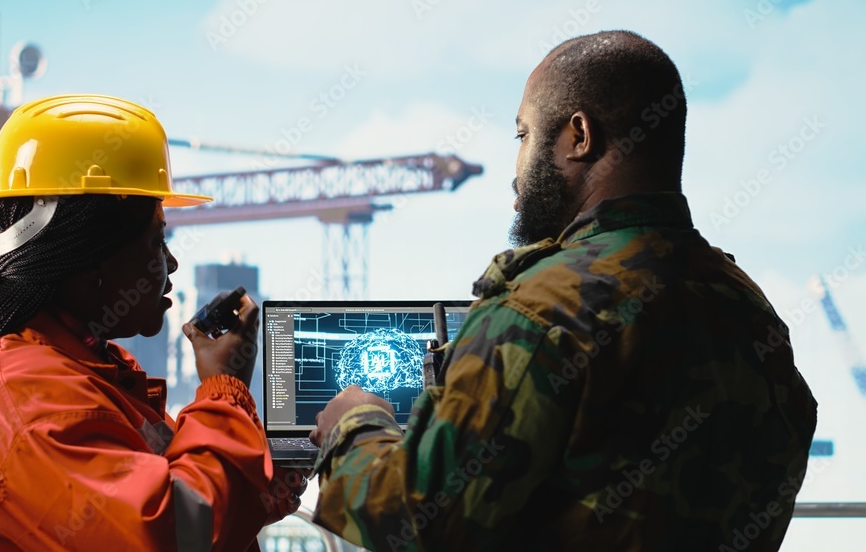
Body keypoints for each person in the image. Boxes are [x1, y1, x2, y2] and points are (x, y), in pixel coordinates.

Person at [309, 31, 818, 551]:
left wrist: (353, 425)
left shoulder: (542, 308)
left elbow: (418, 522)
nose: (516, 170)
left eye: (523, 137)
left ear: (579, 136)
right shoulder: (751, 311)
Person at [0, 94, 306, 551]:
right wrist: (224, 393)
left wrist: (262, 482)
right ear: (94, 262)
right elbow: (176, 534)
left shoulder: (84, 370)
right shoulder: (28, 394)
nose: (170, 263)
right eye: (156, 241)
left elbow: (169, 486)